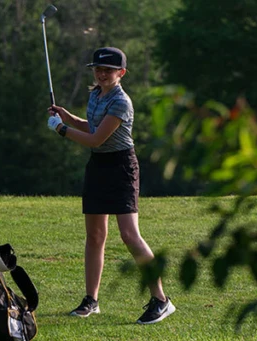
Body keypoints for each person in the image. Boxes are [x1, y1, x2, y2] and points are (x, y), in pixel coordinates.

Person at [46, 47, 176, 324]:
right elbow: (93, 128)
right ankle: (91, 300)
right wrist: (68, 118)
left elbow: (97, 140)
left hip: (121, 168)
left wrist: (61, 129)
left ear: (121, 73)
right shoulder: (95, 94)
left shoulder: (121, 102)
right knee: (94, 237)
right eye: (98, 69)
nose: (102, 74)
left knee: (130, 236)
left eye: (108, 70)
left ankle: (162, 300)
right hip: (98, 167)